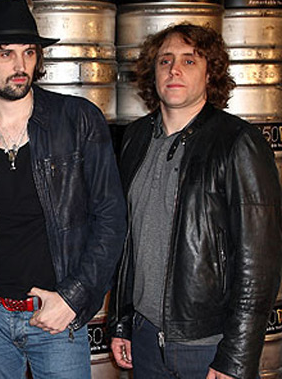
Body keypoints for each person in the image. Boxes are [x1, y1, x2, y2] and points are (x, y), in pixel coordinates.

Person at [0, 0, 127, 378]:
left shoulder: (78, 120)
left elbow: (111, 220)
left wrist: (73, 298)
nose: (20, 66)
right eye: (6, 53)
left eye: (29, 52)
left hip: (57, 314)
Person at [107, 23, 282, 379]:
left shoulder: (238, 142)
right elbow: (128, 241)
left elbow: (260, 264)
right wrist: (122, 321)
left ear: (210, 73)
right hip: (145, 338)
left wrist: (235, 357)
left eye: (189, 61)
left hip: (209, 346)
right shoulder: (136, 137)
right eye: (165, 60)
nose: (174, 69)